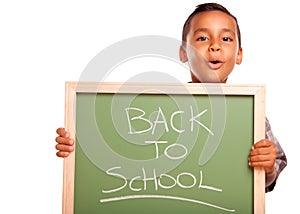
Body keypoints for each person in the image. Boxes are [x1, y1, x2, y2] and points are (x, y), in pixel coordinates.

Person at [55, 2, 287, 192]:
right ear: (183, 52)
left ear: (239, 54)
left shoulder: (251, 114)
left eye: (226, 39)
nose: (215, 46)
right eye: (202, 38)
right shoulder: (157, 107)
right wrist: (76, 147)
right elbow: (110, 145)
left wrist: (268, 169)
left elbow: (266, 180)